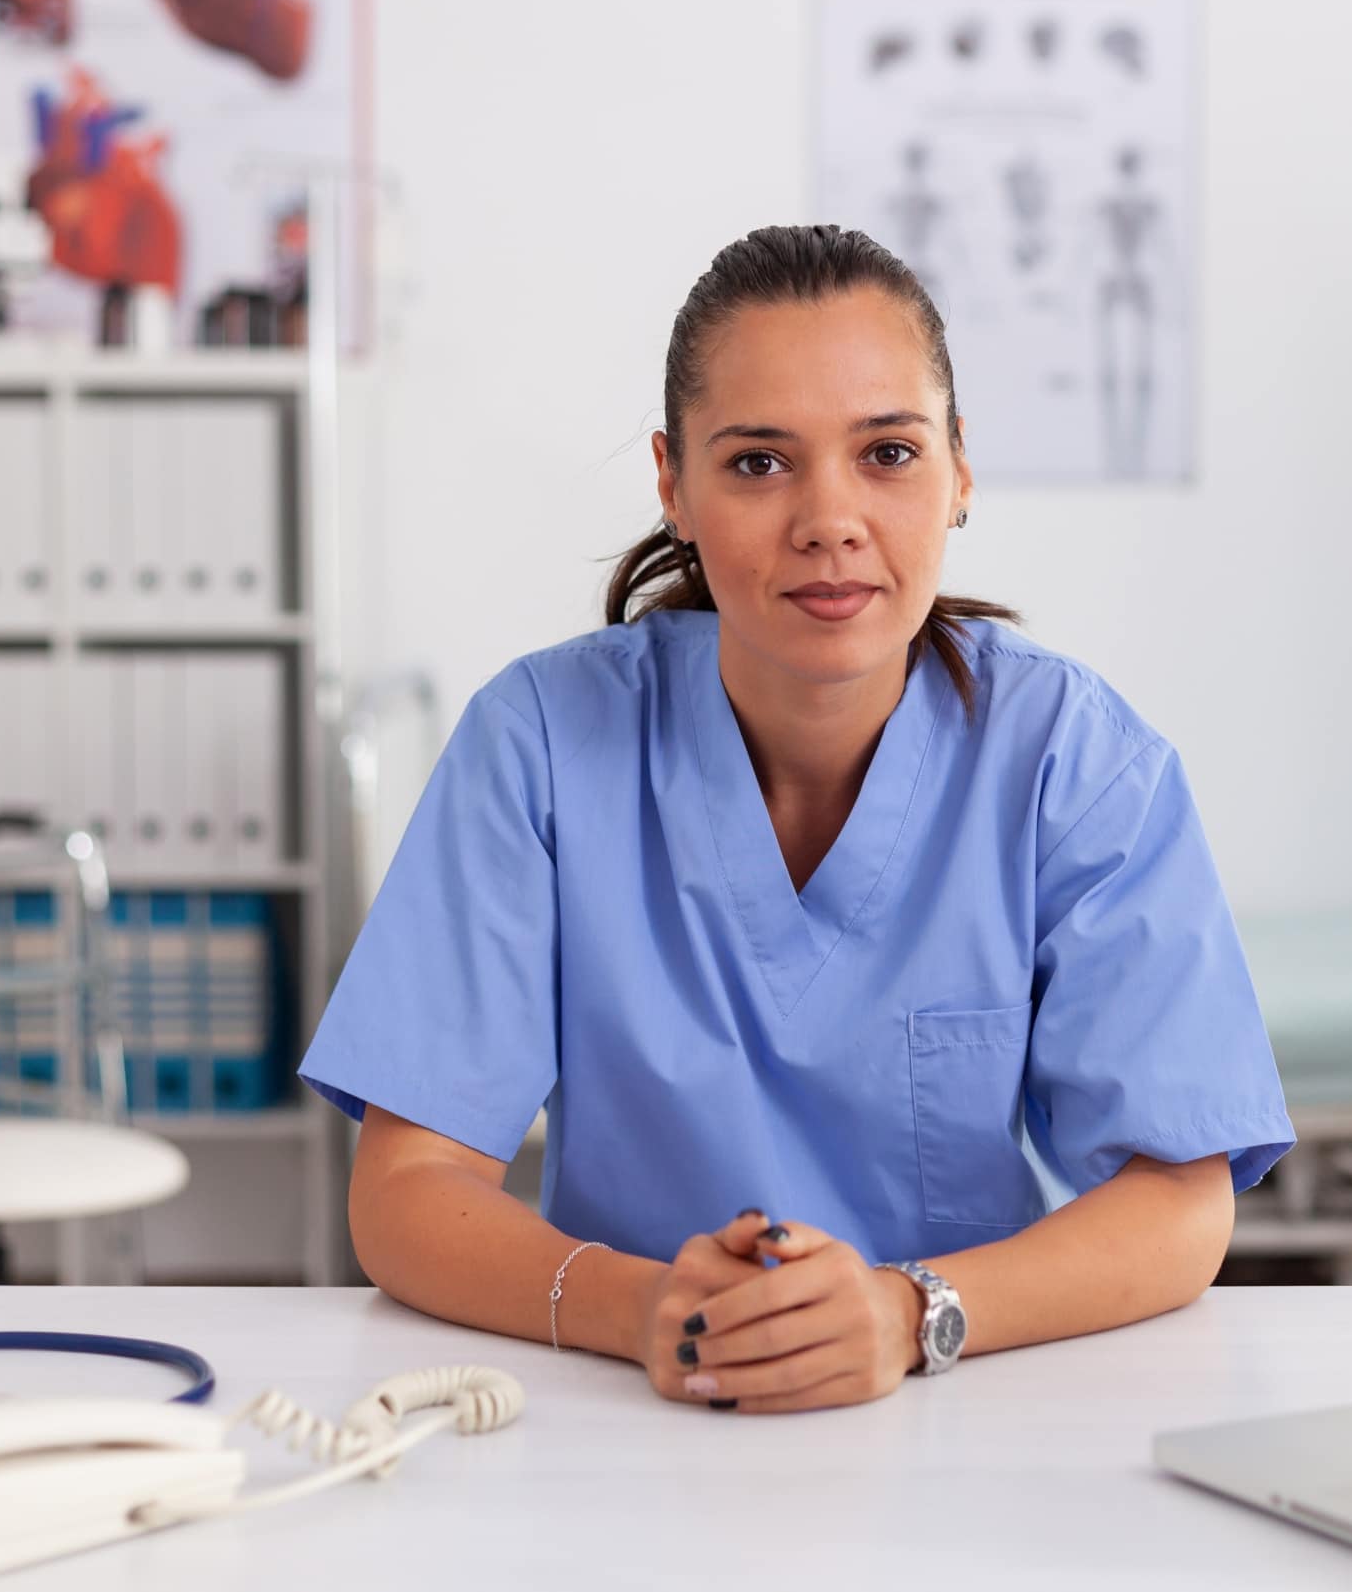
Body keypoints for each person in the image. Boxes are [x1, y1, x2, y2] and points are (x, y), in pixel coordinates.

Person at [300, 224, 1291, 1415]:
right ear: (673, 483)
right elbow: (408, 1185)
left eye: (887, 452)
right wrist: (644, 1309)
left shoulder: (1073, 763)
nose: (829, 518)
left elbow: (1181, 1204)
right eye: (760, 464)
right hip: (616, 1418)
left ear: (960, 471)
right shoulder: (543, 744)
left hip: (962, 1414)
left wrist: (906, 1312)